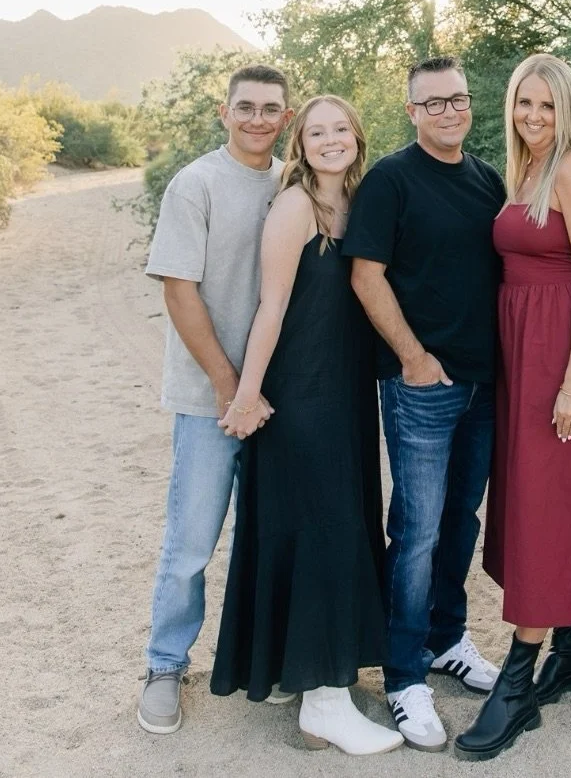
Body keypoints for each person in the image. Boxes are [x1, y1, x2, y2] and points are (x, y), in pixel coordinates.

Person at [456, 55, 571, 763]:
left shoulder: (570, 170)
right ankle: (570, 654)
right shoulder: (523, 169)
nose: (532, 116)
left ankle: (516, 684)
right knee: (542, 501)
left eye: (544, 106)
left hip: (565, 355)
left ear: (563, 110)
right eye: (522, 103)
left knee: (546, 507)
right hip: (521, 354)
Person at [209, 95, 403, 756]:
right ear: (300, 143)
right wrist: (248, 392)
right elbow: (273, 305)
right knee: (325, 529)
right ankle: (324, 700)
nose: (329, 140)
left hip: (346, 392)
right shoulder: (296, 205)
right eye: (315, 131)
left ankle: (307, 670)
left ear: (358, 136)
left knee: (337, 520)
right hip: (301, 394)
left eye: (340, 129)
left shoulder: (358, 199)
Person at [344, 56, 505, 753]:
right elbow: (365, 274)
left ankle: (447, 640)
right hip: (419, 387)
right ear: (411, 111)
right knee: (415, 532)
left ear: (470, 106)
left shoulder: (486, 178)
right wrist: (412, 357)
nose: (447, 111)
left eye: (457, 99)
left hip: (483, 383)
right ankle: (404, 674)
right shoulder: (390, 179)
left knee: (460, 519)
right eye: (432, 103)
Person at [138, 64, 293, 735]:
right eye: (246, 107)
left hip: (277, 400)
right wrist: (234, 390)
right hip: (213, 400)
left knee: (274, 538)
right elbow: (179, 291)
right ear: (224, 113)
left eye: (270, 109)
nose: (258, 119)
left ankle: (276, 661)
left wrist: (261, 391)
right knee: (193, 540)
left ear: (286, 117)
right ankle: (166, 665)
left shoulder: (293, 181)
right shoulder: (195, 184)